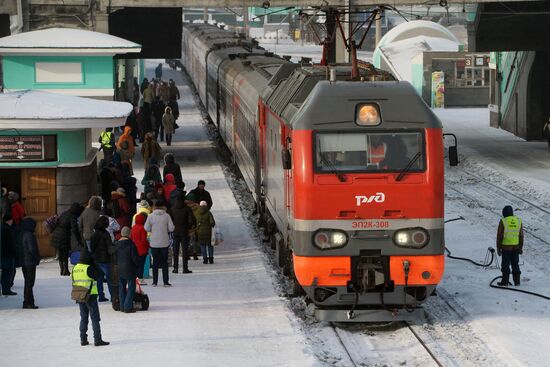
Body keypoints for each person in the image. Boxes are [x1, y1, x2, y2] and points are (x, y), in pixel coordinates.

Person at [72, 249, 109, 346]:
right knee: (95, 318)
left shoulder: (75, 268)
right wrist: (95, 265)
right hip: (90, 296)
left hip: (79, 295)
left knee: (83, 318)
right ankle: (98, 339)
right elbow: (98, 276)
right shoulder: (88, 268)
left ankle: (83, 339)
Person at [144, 201, 174, 286]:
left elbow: (146, 228)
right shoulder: (167, 216)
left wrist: (153, 229)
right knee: (164, 262)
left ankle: (155, 281)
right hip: (164, 242)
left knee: (155, 263)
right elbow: (171, 228)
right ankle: (165, 281)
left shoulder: (150, 216)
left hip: (154, 242)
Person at [52, 203, 84, 276]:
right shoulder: (72, 216)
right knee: (65, 253)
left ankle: (62, 270)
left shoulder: (65, 213)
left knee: (61, 253)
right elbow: (74, 229)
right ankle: (65, 270)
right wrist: (79, 240)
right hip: (64, 235)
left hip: (57, 234)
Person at [16, 217, 40, 309]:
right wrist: (37, 258)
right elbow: (32, 249)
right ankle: (28, 302)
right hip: (30, 262)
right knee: (30, 283)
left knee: (28, 282)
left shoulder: (21, 233)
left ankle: (28, 301)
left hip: (24, 261)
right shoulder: (29, 234)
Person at [497, 205, 524, 286]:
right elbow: (521, 236)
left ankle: (504, 282)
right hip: (516, 247)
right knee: (515, 264)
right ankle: (517, 282)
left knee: (505, 265)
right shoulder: (518, 221)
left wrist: (498, 248)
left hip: (506, 247)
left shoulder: (503, 221)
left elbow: (499, 236)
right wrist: (521, 248)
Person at [169, 193, 196, 273]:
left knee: (175, 250)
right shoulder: (187, 209)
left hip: (175, 231)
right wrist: (188, 226)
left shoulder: (172, 209)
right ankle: (185, 268)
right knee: (185, 250)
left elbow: (170, 220)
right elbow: (191, 220)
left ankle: (175, 268)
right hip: (184, 231)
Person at [115, 226, 140, 313]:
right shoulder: (131, 244)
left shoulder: (116, 244)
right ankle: (127, 307)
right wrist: (138, 266)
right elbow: (135, 259)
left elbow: (114, 258)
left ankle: (122, 306)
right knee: (131, 288)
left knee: (121, 287)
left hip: (119, 269)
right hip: (130, 269)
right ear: (129, 234)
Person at [90, 216, 113, 301]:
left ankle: (101, 296)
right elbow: (109, 247)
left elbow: (92, 247)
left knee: (99, 279)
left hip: (97, 259)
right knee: (110, 279)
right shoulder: (106, 234)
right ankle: (113, 296)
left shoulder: (94, 234)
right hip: (105, 259)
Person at [131, 213, 150, 284]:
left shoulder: (133, 228)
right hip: (142, 249)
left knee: (136, 265)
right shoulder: (143, 228)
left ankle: (135, 278)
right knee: (141, 265)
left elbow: (131, 238)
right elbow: (144, 240)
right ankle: (140, 279)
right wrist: (148, 246)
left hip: (134, 249)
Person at [1, 213, 17, 295]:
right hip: (8, 255)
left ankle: (5, 288)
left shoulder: (2, 228)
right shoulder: (7, 230)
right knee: (8, 272)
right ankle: (6, 289)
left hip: (3, 254)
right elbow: (11, 243)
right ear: (9, 220)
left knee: (4, 272)